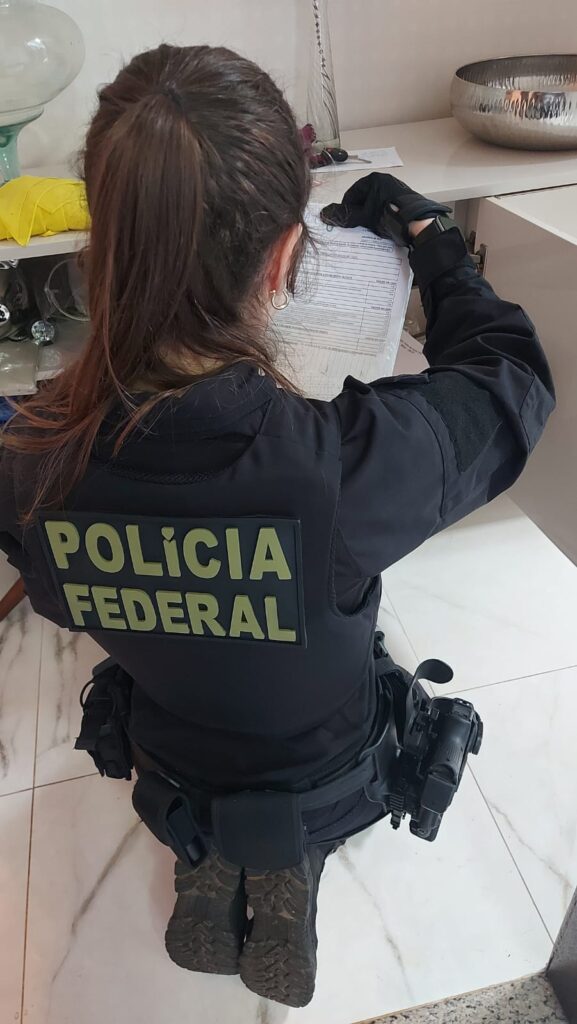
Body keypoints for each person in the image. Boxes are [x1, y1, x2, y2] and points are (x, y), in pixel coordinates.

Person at [0, 43, 554, 1009]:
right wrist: (431, 240)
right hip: (328, 766)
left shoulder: (25, 462)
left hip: (167, 745)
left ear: (102, 249)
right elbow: (509, 378)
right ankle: (286, 854)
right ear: (283, 257)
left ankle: (206, 844)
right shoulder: (349, 468)